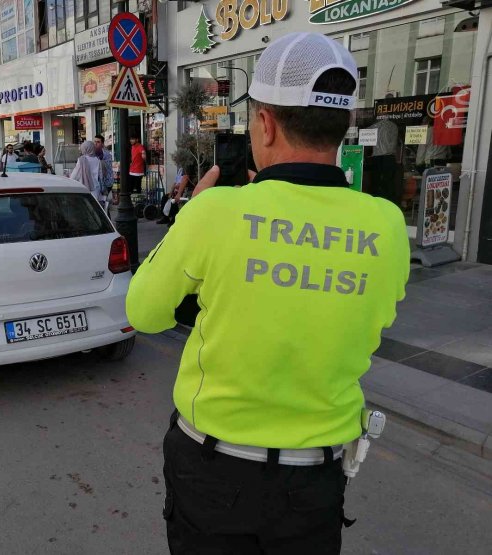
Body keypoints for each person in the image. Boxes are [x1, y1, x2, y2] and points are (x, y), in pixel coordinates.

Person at [126, 32, 410, 554]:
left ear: (266, 122)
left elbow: (143, 313)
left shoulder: (216, 212)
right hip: (315, 479)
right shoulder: (388, 225)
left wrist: (191, 218)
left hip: (215, 473)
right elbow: (370, 321)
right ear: (343, 124)